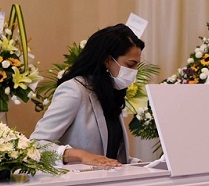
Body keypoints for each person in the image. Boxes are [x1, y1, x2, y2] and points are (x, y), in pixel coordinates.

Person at [32, 24, 143, 167]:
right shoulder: (74, 90)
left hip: (107, 183)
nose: (134, 72)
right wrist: (80, 155)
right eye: (130, 65)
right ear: (108, 60)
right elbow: (36, 145)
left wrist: (142, 165)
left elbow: (110, 154)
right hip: (75, 184)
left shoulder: (111, 92)